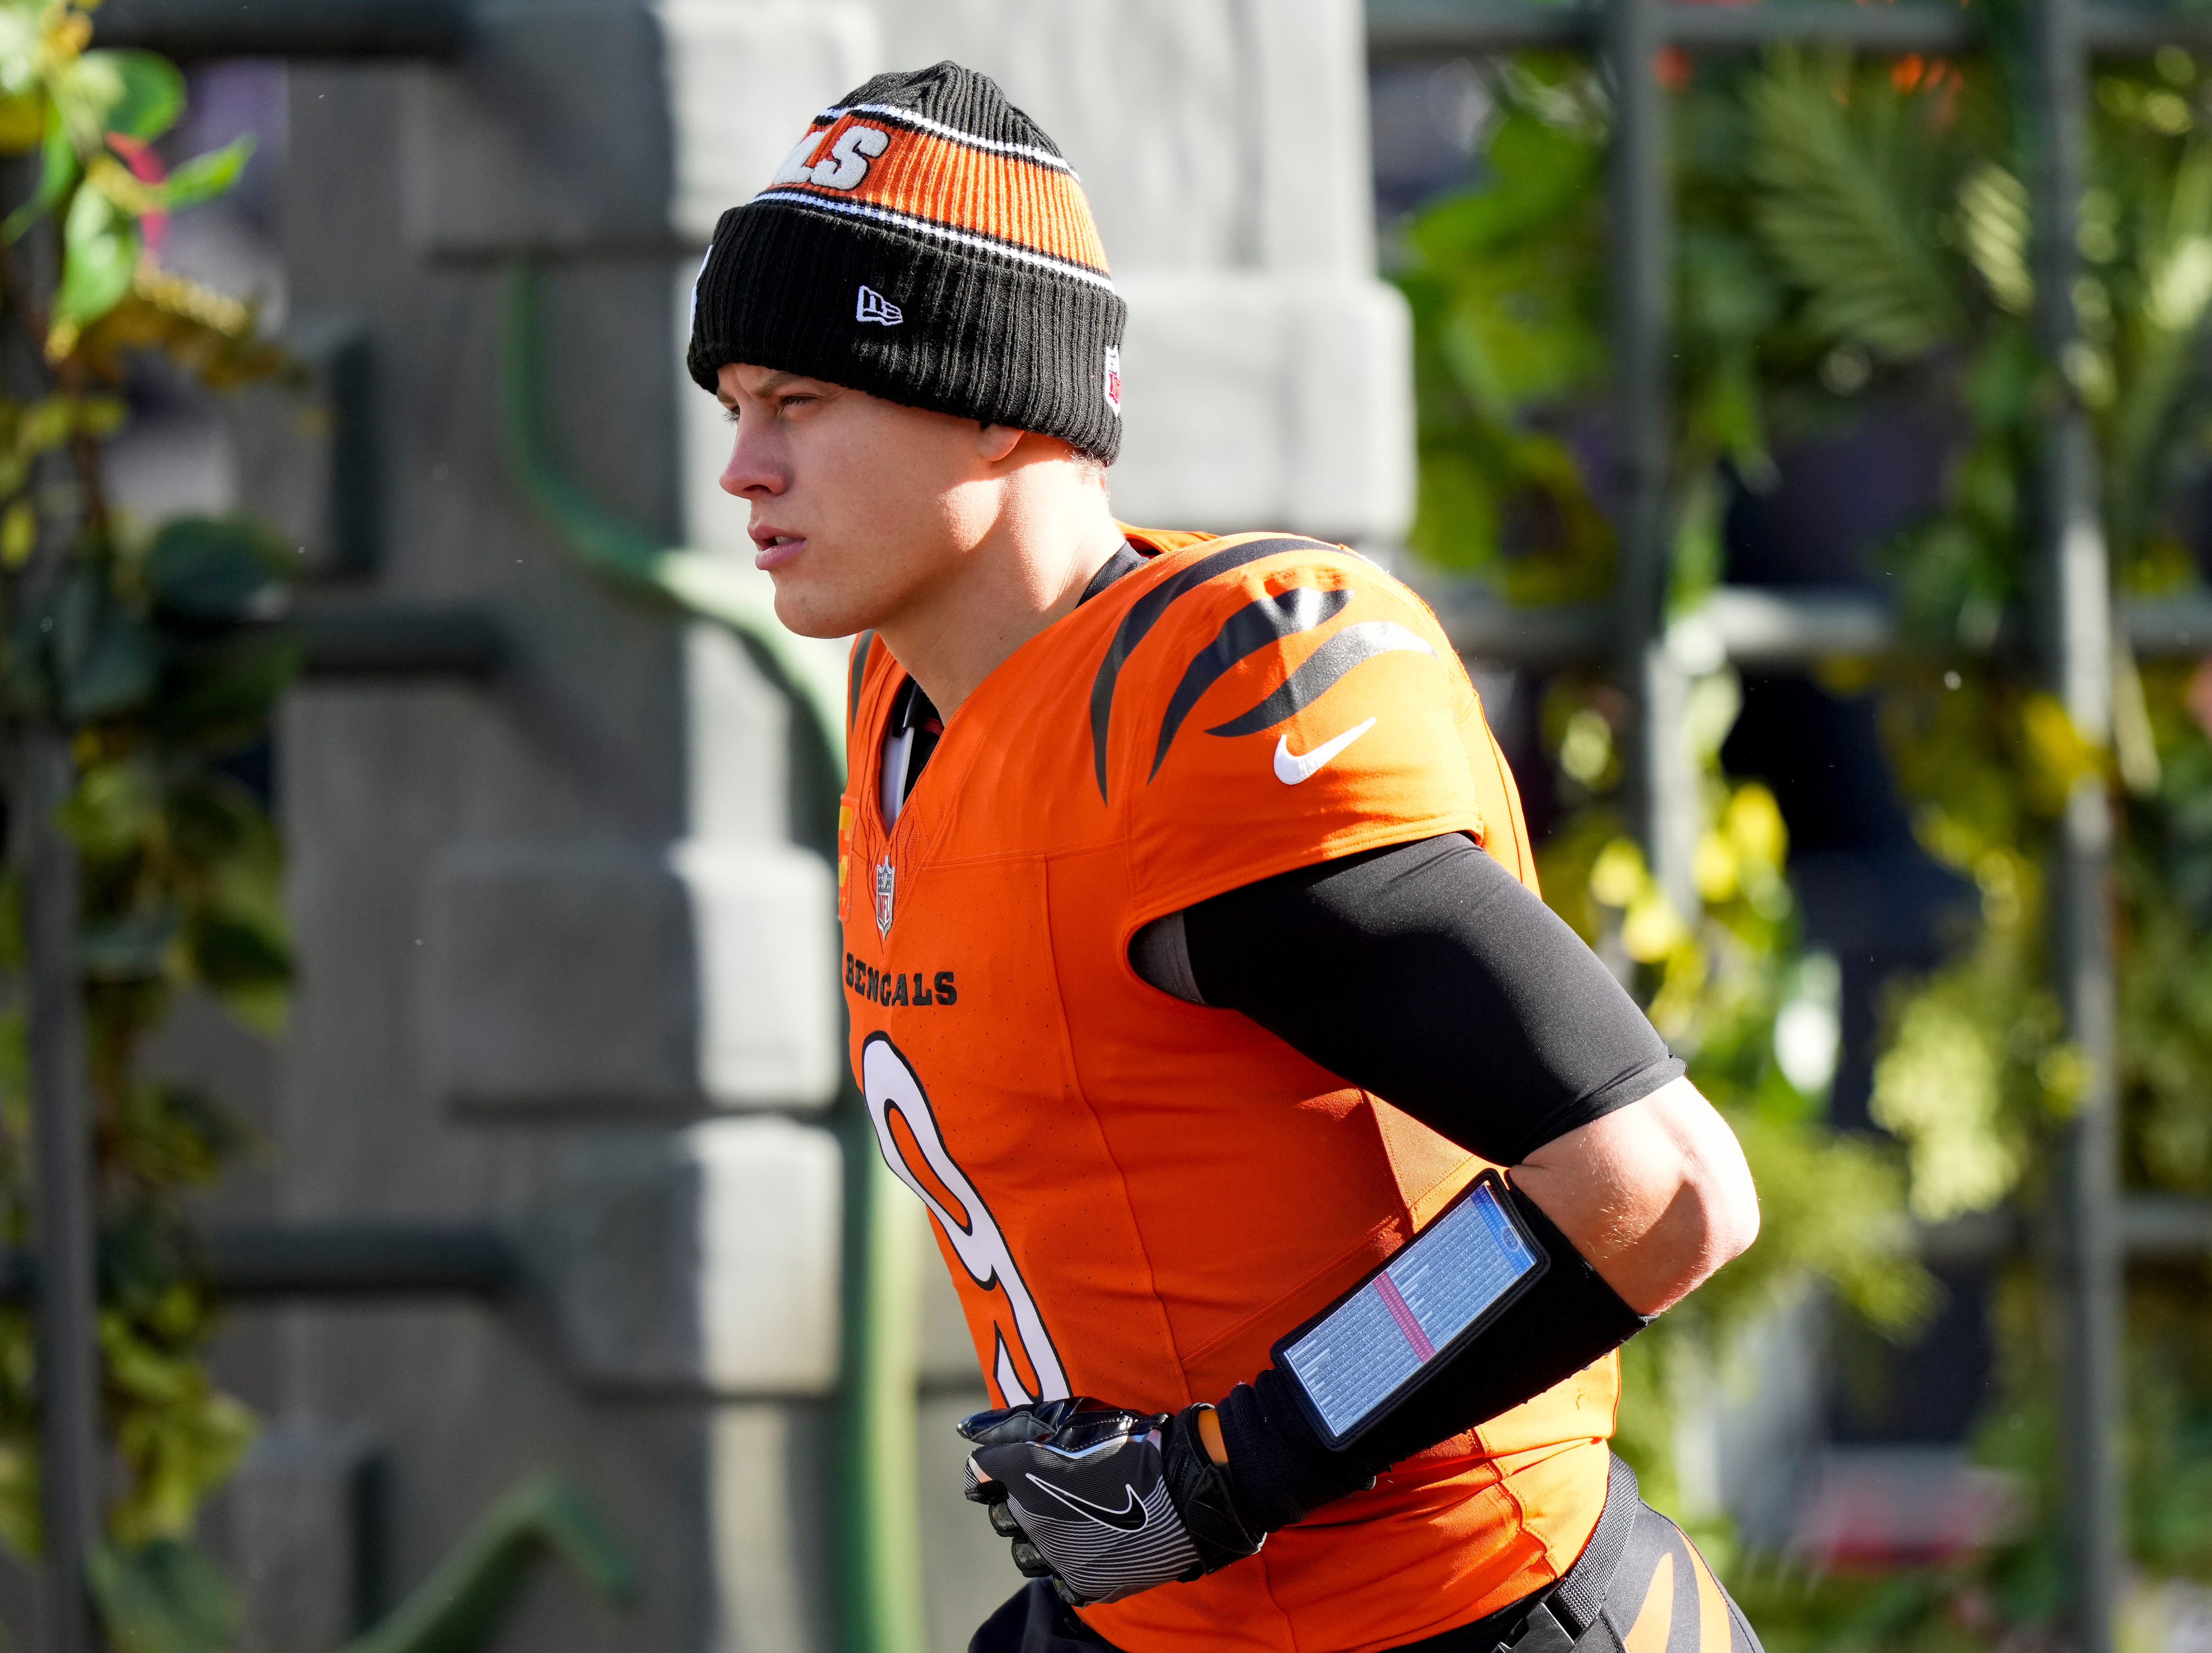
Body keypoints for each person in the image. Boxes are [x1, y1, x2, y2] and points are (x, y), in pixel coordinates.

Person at [687, 60, 1766, 1653]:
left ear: (991, 396)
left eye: (799, 403)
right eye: (733, 410)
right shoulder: (900, 691)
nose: (742, 470)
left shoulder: (1191, 711)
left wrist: (1228, 1463)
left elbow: (1654, 1187)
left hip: (1462, 1617)